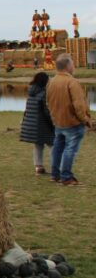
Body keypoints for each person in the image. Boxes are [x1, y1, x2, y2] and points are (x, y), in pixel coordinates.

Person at [46, 54, 93, 186]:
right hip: (72, 123)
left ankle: (55, 174)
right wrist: (86, 119)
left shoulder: (52, 81)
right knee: (70, 150)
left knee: (57, 148)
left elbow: (48, 102)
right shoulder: (72, 82)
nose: (74, 66)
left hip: (58, 122)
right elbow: (79, 105)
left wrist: (54, 117)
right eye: (72, 63)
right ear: (68, 66)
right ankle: (66, 176)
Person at [20, 72, 55, 175]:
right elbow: (46, 111)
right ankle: (55, 167)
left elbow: (27, 108)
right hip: (41, 124)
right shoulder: (43, 93)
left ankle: (38, 167)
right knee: (53, 144)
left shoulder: (31, 92)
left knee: (38, 145)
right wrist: (53, 123)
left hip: (32, 124)